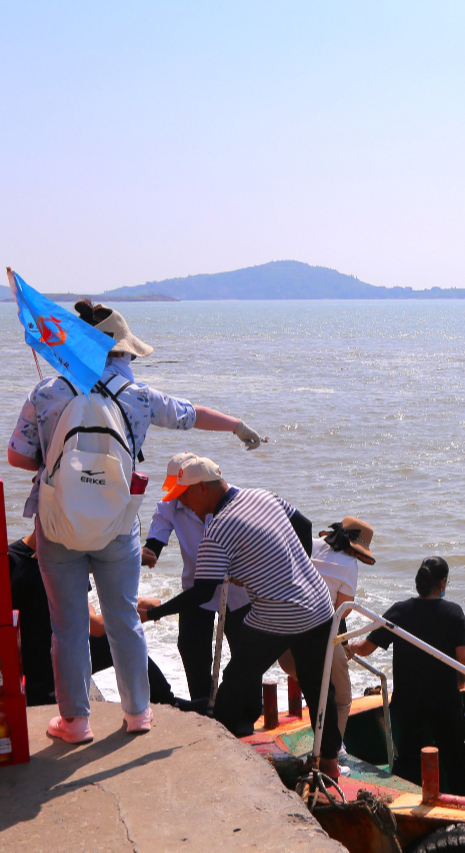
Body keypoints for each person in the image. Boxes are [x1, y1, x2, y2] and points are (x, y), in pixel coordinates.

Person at [7, 300, 264, 743]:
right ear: (119, 352)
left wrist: (63, 467)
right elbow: (191, 414)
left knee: (66, 625)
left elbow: (16, 456)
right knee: (123, 617)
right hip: (116, 524)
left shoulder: (47, 391)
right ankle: (139, 714)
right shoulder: (138, 397)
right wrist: (237, 426)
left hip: (58, 525)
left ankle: (75, 722)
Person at [136, 455, 343, 778]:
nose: (184, 505)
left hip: (276, 612)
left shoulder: (218, 529)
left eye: (184, 496)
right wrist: (292, 568)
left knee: (234, 684)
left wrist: (155, 613)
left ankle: (221, 757)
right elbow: (303, 524)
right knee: (318, 684)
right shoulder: (262, 495)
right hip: (317, 604)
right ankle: (330, 765)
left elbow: (203, 592)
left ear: (202, 488)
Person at [351, 556, 465, 797]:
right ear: (443, 582)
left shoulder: (400, 611)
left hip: (408, 701)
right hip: (444, 701)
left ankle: (404, 806)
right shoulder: (452, 612)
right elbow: (463, 654)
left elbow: (365, 648)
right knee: (455, 760)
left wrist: (346, 647)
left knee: (408, 760)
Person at [9, 533, 184, 710]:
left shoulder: (28, 560)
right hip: (47, 671)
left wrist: (130, 556)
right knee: (117, 639)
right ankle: (164, 704)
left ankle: (165, 700)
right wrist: (145, 610)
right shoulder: (55, 567)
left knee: (108, 642)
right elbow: (96, 626)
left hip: (39, 655)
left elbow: (85, 608)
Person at [142, 452, 252, 707]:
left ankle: (245, 710)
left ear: (200, 487)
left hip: (237, 592)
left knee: (245, 653)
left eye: (182, 491)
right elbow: (153, 549)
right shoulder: (169, 506)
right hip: (196, 590)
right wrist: (141, 554)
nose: (178, 498)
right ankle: (202, 705)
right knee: (191, 649)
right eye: (174, 491)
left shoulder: (232, 499)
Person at [281, 517, 374, 743]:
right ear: (356, 550)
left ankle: (321, 746)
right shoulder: (349, 565)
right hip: (318, 637)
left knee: (318, 690)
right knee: (340, 699)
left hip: (284, 641)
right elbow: (341, 611)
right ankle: (331, 754)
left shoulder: (310, 544)